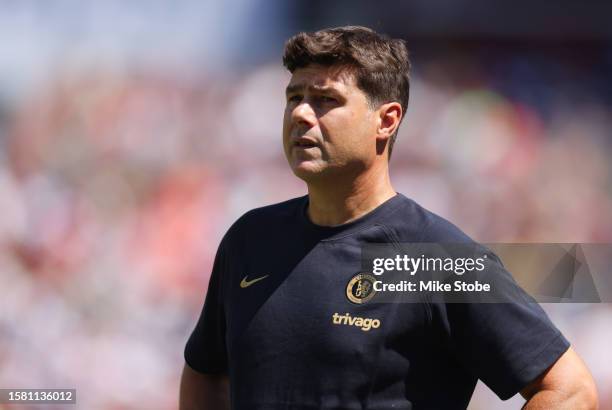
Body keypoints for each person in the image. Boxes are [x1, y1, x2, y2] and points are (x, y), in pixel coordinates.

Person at [180, 26, 598, 409]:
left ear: (387, 120)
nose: (302, 114)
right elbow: (205, 371)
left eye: (326, 100)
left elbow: (569, 390)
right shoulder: (251, 239)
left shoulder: (430, 258)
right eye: (294, 97)